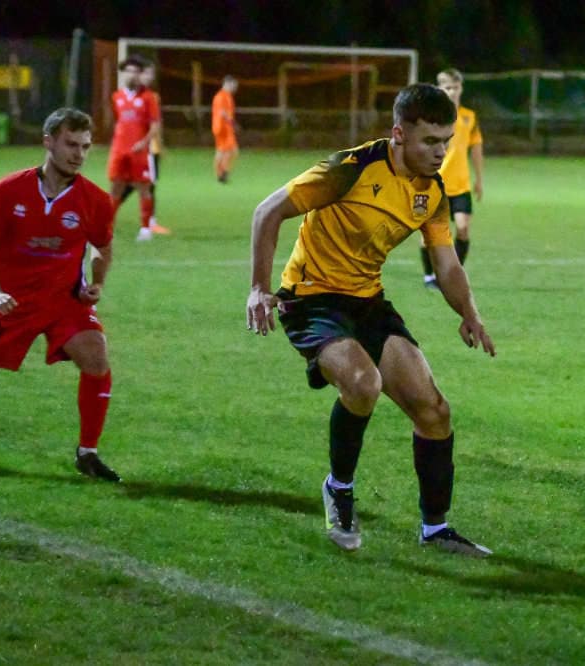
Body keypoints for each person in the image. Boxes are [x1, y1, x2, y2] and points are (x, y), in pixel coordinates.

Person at [247, 83, 495, 556]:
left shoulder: (432, 190)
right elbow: (267, 212)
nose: (440, 152)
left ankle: (436, 528)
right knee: (363, 383)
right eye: (429, 141)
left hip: (367, 301)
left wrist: (470, 314)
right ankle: (338, 489)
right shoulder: (350, 169)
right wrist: (259, 288)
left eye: (446, 141)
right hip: (312, 300)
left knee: (434, 411)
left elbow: (446, 264)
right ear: (399, 134)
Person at [0, 108, 121, 482]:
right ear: (48, 142)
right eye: (70, 144)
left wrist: (97, 282)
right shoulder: (8, 190)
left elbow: (102, 247)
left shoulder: (94, 199)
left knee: (96, 355)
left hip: (65, 302)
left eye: (85, 146)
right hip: (12, 303)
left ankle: (88, 453)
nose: (78, 154)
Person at [419, 68, 484, 289]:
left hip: (461, 186)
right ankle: (429, 276)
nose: (453, 92)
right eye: (448, 88)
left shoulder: (469, 117)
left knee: (463, 229)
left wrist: (479, 179)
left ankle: (453, 274)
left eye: (456, 87)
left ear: (461, 88)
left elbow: (476, 148)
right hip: (434, 184)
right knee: (430, 234)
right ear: (440, 90)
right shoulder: (431, 118)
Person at [108, 55, 169, 242]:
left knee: (144, 188)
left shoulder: (149, 97)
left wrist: (143, 143)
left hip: (140, 152)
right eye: (128, 71)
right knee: (115, 189)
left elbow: (155, 125)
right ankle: (107, 227)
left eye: (135, 71)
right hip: (119, 151)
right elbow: (118, 122)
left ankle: (145, 228)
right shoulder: (116, 97)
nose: (131, 75)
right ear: (123, 73)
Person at [212, 75, 239, 183]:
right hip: (223, 128)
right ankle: (222, 173)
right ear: (227, 83)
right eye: (233, 84)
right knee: (230, 151)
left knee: (225, 151)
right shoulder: (221, 96)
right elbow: (222, 112)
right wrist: (231, 122)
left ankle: (222, 173)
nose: (235, 87)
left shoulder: (226, 96)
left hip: (224, 127)